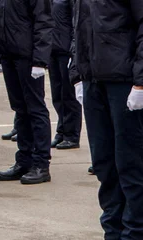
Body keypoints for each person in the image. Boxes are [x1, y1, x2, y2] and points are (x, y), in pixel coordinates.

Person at [71, 0, 143, 240]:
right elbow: (80, 27)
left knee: (129, 164)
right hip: (93, 79)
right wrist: (77, 72)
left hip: (124, 81)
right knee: (104, 164)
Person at [0, 0, 54, 185]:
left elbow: (44, 21)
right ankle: (24, 160)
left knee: (35, 109)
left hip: (28, 55)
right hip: (9, 54)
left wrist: (40, 60)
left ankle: (41, 164)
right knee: (20, 108)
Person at [49, 0, 81, 150]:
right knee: (57, 94)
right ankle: (61, 131)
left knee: (68, 95)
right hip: (52, 48)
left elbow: (76, 22)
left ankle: (71, 135)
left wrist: (73, 50)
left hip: (66, 50)